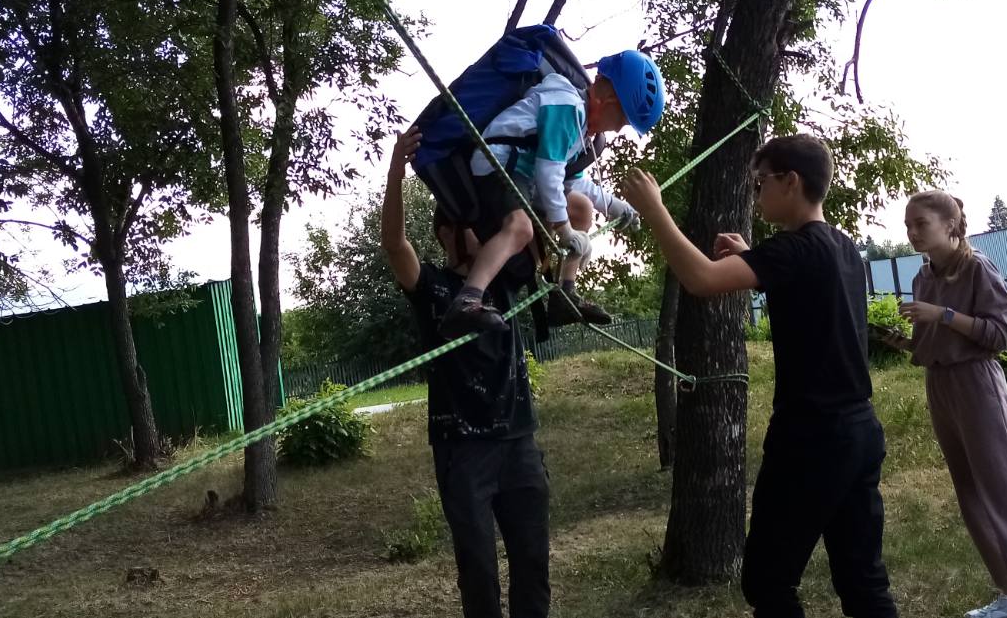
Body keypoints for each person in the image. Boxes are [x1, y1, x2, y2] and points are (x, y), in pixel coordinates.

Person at [620, 133, 899, 618]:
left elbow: (701, 279)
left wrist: (654, 210)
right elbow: (805, 293)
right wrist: (752, 256)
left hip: (810, 438)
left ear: (790, 181)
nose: (756, 193)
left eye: (760, 182)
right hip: (858, 432)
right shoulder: (842, 248)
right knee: (862, 579)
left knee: (768, 582)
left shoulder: (792, 250)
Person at [381, 128, 551, 618]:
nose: (485, 231)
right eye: (472, 224)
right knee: (478, 572)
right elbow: (394, 243)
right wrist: (396, 172)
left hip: (519, 442)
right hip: (463, 450)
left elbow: (534, 221)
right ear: (447, 233)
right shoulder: (431, 287)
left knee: (532, 564)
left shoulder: (506, 280)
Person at [879, 190, 1007, 618]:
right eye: (908, 225)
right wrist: (904, 342)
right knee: (970, 493)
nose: (912, 232)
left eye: (921, 223)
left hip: (978, 384)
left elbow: (1001, 335)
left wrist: (941, 314)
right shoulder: (924, 277)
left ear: (950, 225)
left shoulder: (978, 267)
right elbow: (934, 343)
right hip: (939, 384)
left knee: (1005, 494)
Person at [440, 49, 665, 338]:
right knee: (520, 229)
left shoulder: (581, 129)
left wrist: (615, 206)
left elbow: (572, 183)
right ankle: (468, 299)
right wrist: (565, 231)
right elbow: (549, 173)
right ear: (610, 100)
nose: (620, 129)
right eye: (623, 119)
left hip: (526, 174)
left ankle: (564, 295)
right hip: (500, 164)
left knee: (582, 207)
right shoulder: (567, 107)